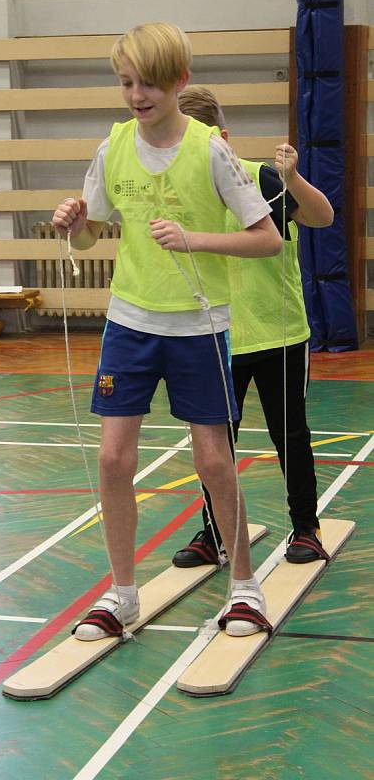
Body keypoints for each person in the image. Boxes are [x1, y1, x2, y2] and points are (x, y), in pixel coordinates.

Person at [52, 22, 282, 641]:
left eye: (148, 83)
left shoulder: (211, 150)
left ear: (179, 81)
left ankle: (244, 588)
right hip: (129, 322)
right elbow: (89, 234)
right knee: (112, 458)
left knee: (213, 459)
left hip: (199, 326)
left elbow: (267, 238)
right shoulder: (113, 148)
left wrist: (194, 238)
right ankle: (123, 595)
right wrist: (73, 223)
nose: (135, 94)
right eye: (126, 83)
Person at [171, 86, 334, 571]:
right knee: (213, 444)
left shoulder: (262, 180)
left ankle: (306, 527)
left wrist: (294, 178)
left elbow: (323, 217)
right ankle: (216, 531)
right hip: (214, 338)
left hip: (279, 335)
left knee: (291, 435)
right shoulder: (179, 192)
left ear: (221, 138)